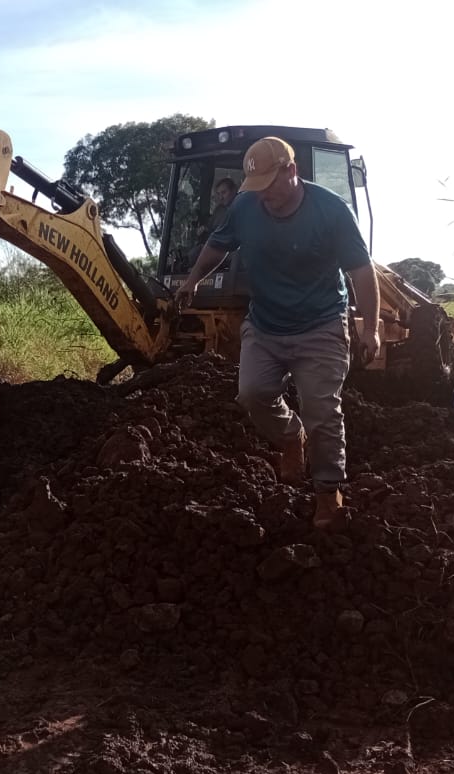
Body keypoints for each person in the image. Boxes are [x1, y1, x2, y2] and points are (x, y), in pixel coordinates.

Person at [174, 137, 381, 530]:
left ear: (292, 171)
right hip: (266, 324)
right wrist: (193, 279)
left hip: (321, 325)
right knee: (252, 393)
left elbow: (361, 271)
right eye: (256, 185)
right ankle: (290, 436)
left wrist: (370, 329)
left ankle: (328, 493)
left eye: (269, 183)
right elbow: (218, 245)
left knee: (321, 412)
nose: (263, 194)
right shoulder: (245, 206)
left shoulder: (331, 211)